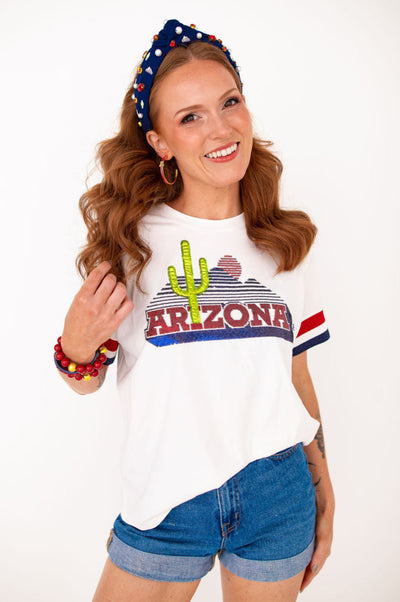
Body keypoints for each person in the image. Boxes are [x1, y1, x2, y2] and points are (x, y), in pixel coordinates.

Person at [56, 18, 335, 602]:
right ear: (161, 143)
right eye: (190, 117)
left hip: (278, 493)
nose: (221, 128)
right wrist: (74, 345)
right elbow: (85, 380)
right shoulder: (129, 246)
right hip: (166, 500)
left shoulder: (286, 244)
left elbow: (296, 376)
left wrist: (323, 485)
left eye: (230, 102)